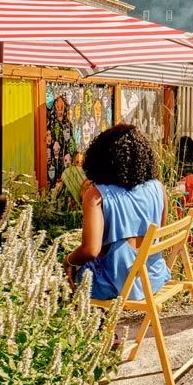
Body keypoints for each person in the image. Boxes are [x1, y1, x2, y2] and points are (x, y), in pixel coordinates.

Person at [61, 124, 170, 301]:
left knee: (71, 268)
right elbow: (158, 233)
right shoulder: (158, 188)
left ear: (102, 159)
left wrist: (68, 260)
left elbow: (90, 250)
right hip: (154, 279)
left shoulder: (96, 196)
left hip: (117, 286)